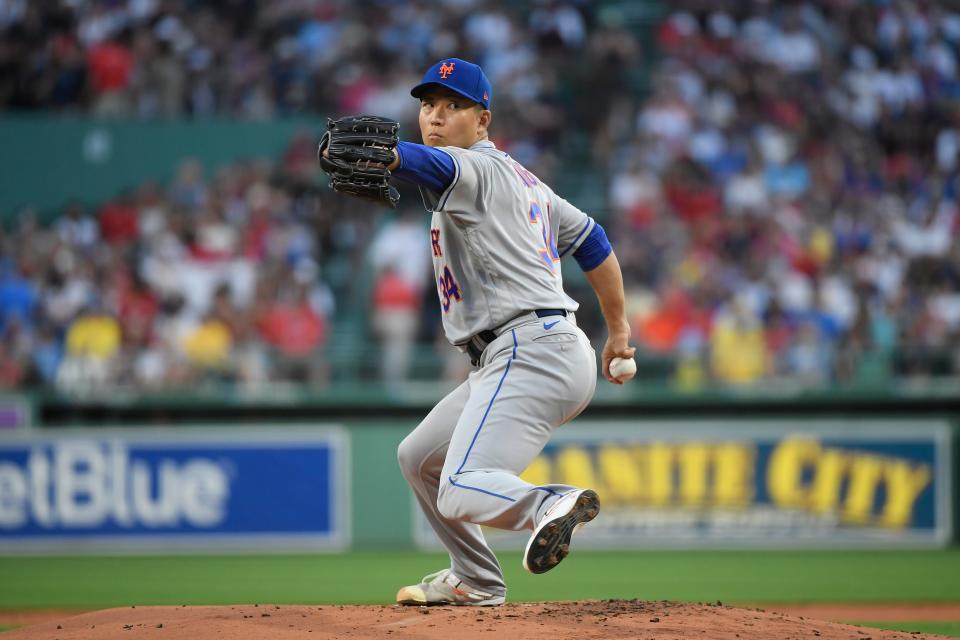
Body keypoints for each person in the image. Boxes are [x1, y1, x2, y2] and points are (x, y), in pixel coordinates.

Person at [328, 58, 636, 606]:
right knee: (418, 458)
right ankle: (475, 580)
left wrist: (393, 156)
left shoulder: (475, 169)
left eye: (453, 106)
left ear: (483, 120)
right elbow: (595, 242)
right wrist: (618, 335)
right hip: (534, 351)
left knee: (459, 485)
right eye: (427, 105)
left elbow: (433, 166)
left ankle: (550, 504)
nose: (436, 116)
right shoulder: (529, 184)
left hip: (527, 349)